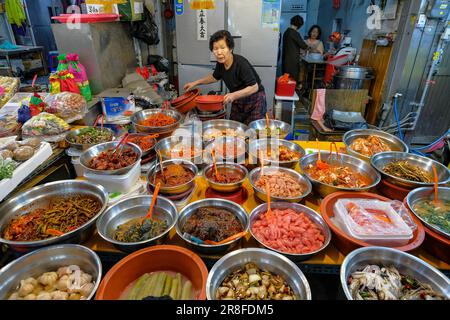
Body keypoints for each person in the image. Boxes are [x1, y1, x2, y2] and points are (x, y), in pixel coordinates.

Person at [184, 30, 266, 125]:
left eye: (223, 48)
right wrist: (196, 83)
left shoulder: (241, 64)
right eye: (215, 49)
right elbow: (215, 77)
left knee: (253, 131)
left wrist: (233, 95)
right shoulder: (221, 63)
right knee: (234, 128)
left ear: (230, 48)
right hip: (237, 99)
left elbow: (254, 87)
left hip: (254, 99)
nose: (219, 52)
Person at [281, 15, 308, 88]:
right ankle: (291, 94)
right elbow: (303, 45)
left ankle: (286, 93)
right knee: (292, 80)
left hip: (286, 59)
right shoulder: (294, 33)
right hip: (292, 61)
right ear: (300, 25)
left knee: (286, 79)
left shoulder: (286, 32)